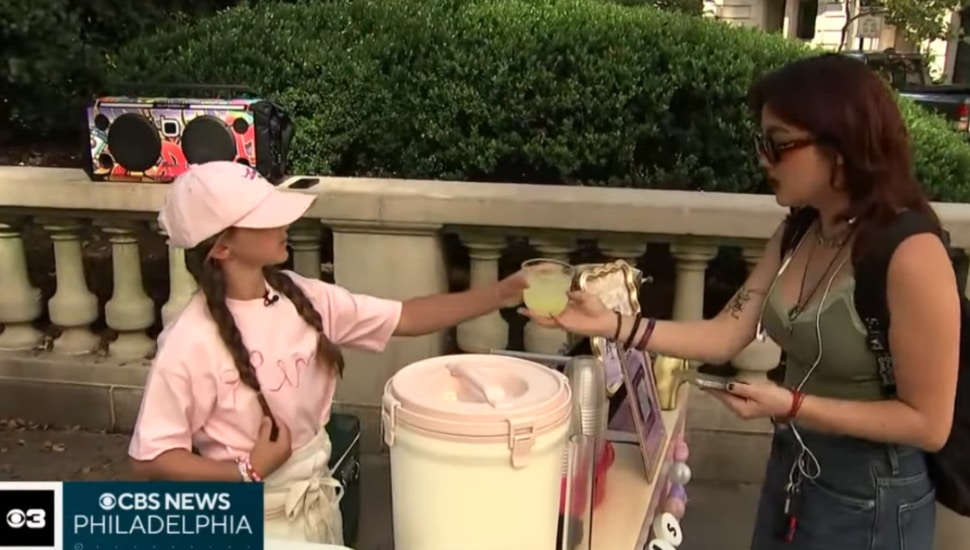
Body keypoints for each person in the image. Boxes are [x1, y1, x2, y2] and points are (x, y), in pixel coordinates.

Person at [522, 53, 960, 550]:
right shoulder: (800, 230)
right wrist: (615, 325)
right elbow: (726, 332)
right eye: (761, 142)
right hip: (794, 465)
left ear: (840, 146)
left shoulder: (911, 253)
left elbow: (929, 424)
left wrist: (793, 405)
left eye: (777, 144)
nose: (762, 159)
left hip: (873, 491)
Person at [128, 161, 528, 545]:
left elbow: (405, 316)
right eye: (264, 216)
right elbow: (152, 457)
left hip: (317, 508)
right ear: (222, 247)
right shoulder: (190, 341)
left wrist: (501, 293)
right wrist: (244, 472)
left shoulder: (303, 296)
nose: (284, 223)